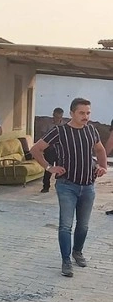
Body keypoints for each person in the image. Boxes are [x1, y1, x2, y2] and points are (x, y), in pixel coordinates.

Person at [30, 98, 108, 277]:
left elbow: (100, 150)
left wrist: (103, 166)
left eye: (88, 113)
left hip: (88, 186)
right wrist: (49, 168)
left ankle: (77, 252)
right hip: (67, 186)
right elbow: (35, 149)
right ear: (72, 113)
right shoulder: (59, 131)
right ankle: (66, 261)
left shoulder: (91, 130)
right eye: (82, 113)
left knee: (83, 225)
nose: (85, 116)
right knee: (66, 225)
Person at [41, 107, 65, 193]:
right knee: (48, 167)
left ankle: (60, 186)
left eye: (59, 117)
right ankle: (46, 186)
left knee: (61, 168)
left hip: (60, 150)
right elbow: (43, 136)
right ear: (53, 115)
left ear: (61, 117)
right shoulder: (47, 124)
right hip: (49, 149)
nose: (57, 119)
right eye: (55, 117)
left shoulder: (64, 126)